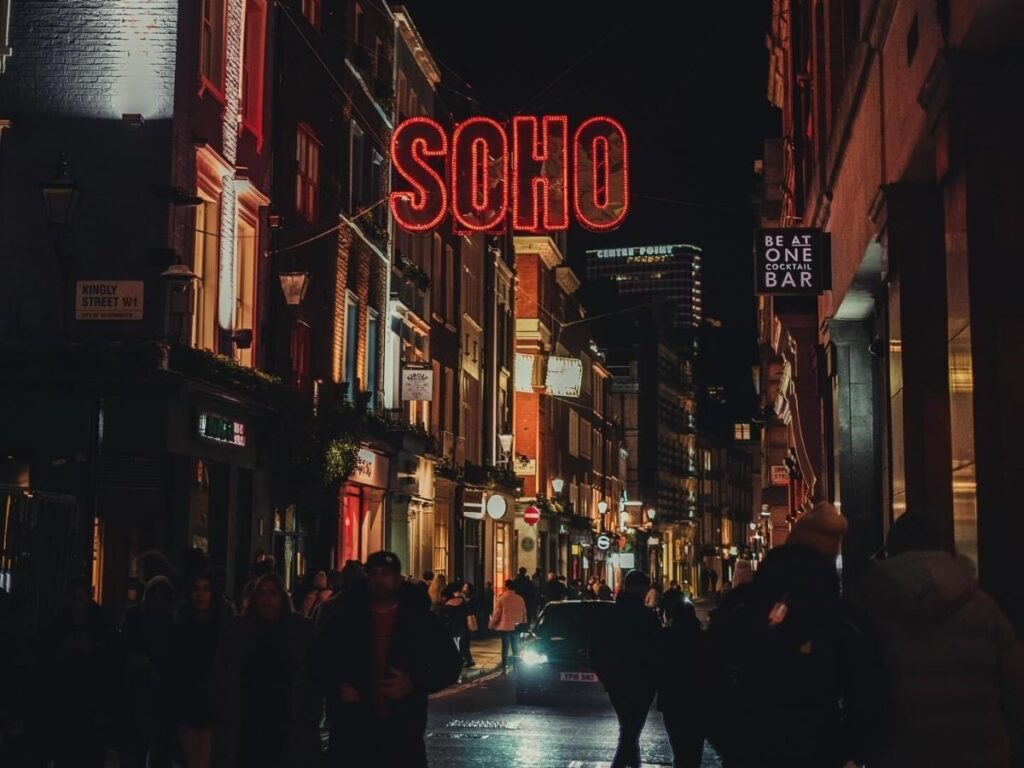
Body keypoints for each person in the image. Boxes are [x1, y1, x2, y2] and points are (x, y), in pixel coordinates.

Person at [706, 501, 886, 767]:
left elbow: (705, 678)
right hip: (819, 753)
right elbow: (871, 699)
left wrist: (734, 742)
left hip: (749, 754)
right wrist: (844, 750)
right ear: (832, 556)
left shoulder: (740, 606)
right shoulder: (842, 618)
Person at [859, 513, 1024, 767]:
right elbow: (1014, 687)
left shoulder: (872, 607)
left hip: (904, 752)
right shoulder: (983, 608)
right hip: (982, 752)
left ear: (891, 549)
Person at [319, 551, 462, 767]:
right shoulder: (345, 615)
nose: (379, 579)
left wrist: (414, 682)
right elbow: (321, 660)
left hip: (402, 733)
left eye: (385, 573)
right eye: (374, 573)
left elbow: (450, 664)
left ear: (397, 579)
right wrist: (338, 687)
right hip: (353, 731)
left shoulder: (418, 618)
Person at [219, 572, 319, 768]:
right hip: (249, 714)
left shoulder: (301, 630)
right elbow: (226, 671)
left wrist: (310, 714)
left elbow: (313, 674)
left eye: (272, 593)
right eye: (262, 594)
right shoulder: (240, 630)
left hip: (286, 713)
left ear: (282, 597)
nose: (267, 599)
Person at [39, 576, 118, 768]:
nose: (77, 605)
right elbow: (46, 665)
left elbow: (111, 667)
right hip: (65, 708)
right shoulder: (59, 625)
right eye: (74, 599)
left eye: (81, 599)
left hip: (90, 709)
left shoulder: (101, 626)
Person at [590, 569, 663, 768]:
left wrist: (607, 678)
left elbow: (595, 650)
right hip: (642, 684)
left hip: (618, 683)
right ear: (639, 589)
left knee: (629, 731)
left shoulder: (610, 614)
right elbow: (658, 650)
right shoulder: (646, 617)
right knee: (630, 733)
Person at [168, 569, 234, 768]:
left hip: (213, 700)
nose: (200, 594)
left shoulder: (222, 625)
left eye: (205, 589)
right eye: (197, 589)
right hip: (188, 699)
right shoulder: (182, 623)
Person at [117, 575, 176, 768]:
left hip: (155, 694)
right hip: (140, 692)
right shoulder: (141, 617)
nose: (159, 603)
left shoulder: (167, 620)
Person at [658, 600, 707, 768]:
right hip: (698, 701)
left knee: (679, 750)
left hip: (672, 700)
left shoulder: (665, 637)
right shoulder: (703, 638)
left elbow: (657, 667)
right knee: (694, 749)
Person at [490, 580, 528, 672]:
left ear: (506, 587)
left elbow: (497, 614)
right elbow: (524, 613)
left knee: (505, 647)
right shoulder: (520, 599)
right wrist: (524, 623)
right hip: (516, 626)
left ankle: (505, 667)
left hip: (505, 626)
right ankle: (515, 666)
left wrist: (492, 624)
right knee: (515, 647)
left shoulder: (502, 598)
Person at [441, 580, 474, 667]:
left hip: (453, 627)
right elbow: (468, 612)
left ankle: (458, 661)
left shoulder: (448, 603)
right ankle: (465, 659)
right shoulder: (462, 600)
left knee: (455, 645)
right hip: (463, 626)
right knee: (463, 645)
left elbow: (446, 617)